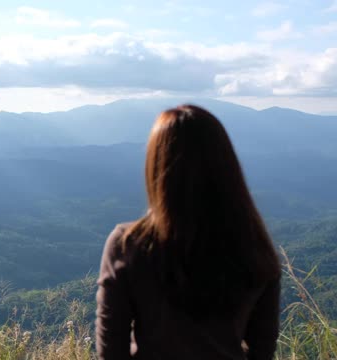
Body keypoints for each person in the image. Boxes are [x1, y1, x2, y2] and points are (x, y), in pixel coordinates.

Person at [95, 105, 281, 360]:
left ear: (156, 166)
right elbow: (263, 349)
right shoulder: (255, 245)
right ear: (226, 166)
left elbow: (111, 350)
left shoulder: (128, 244)